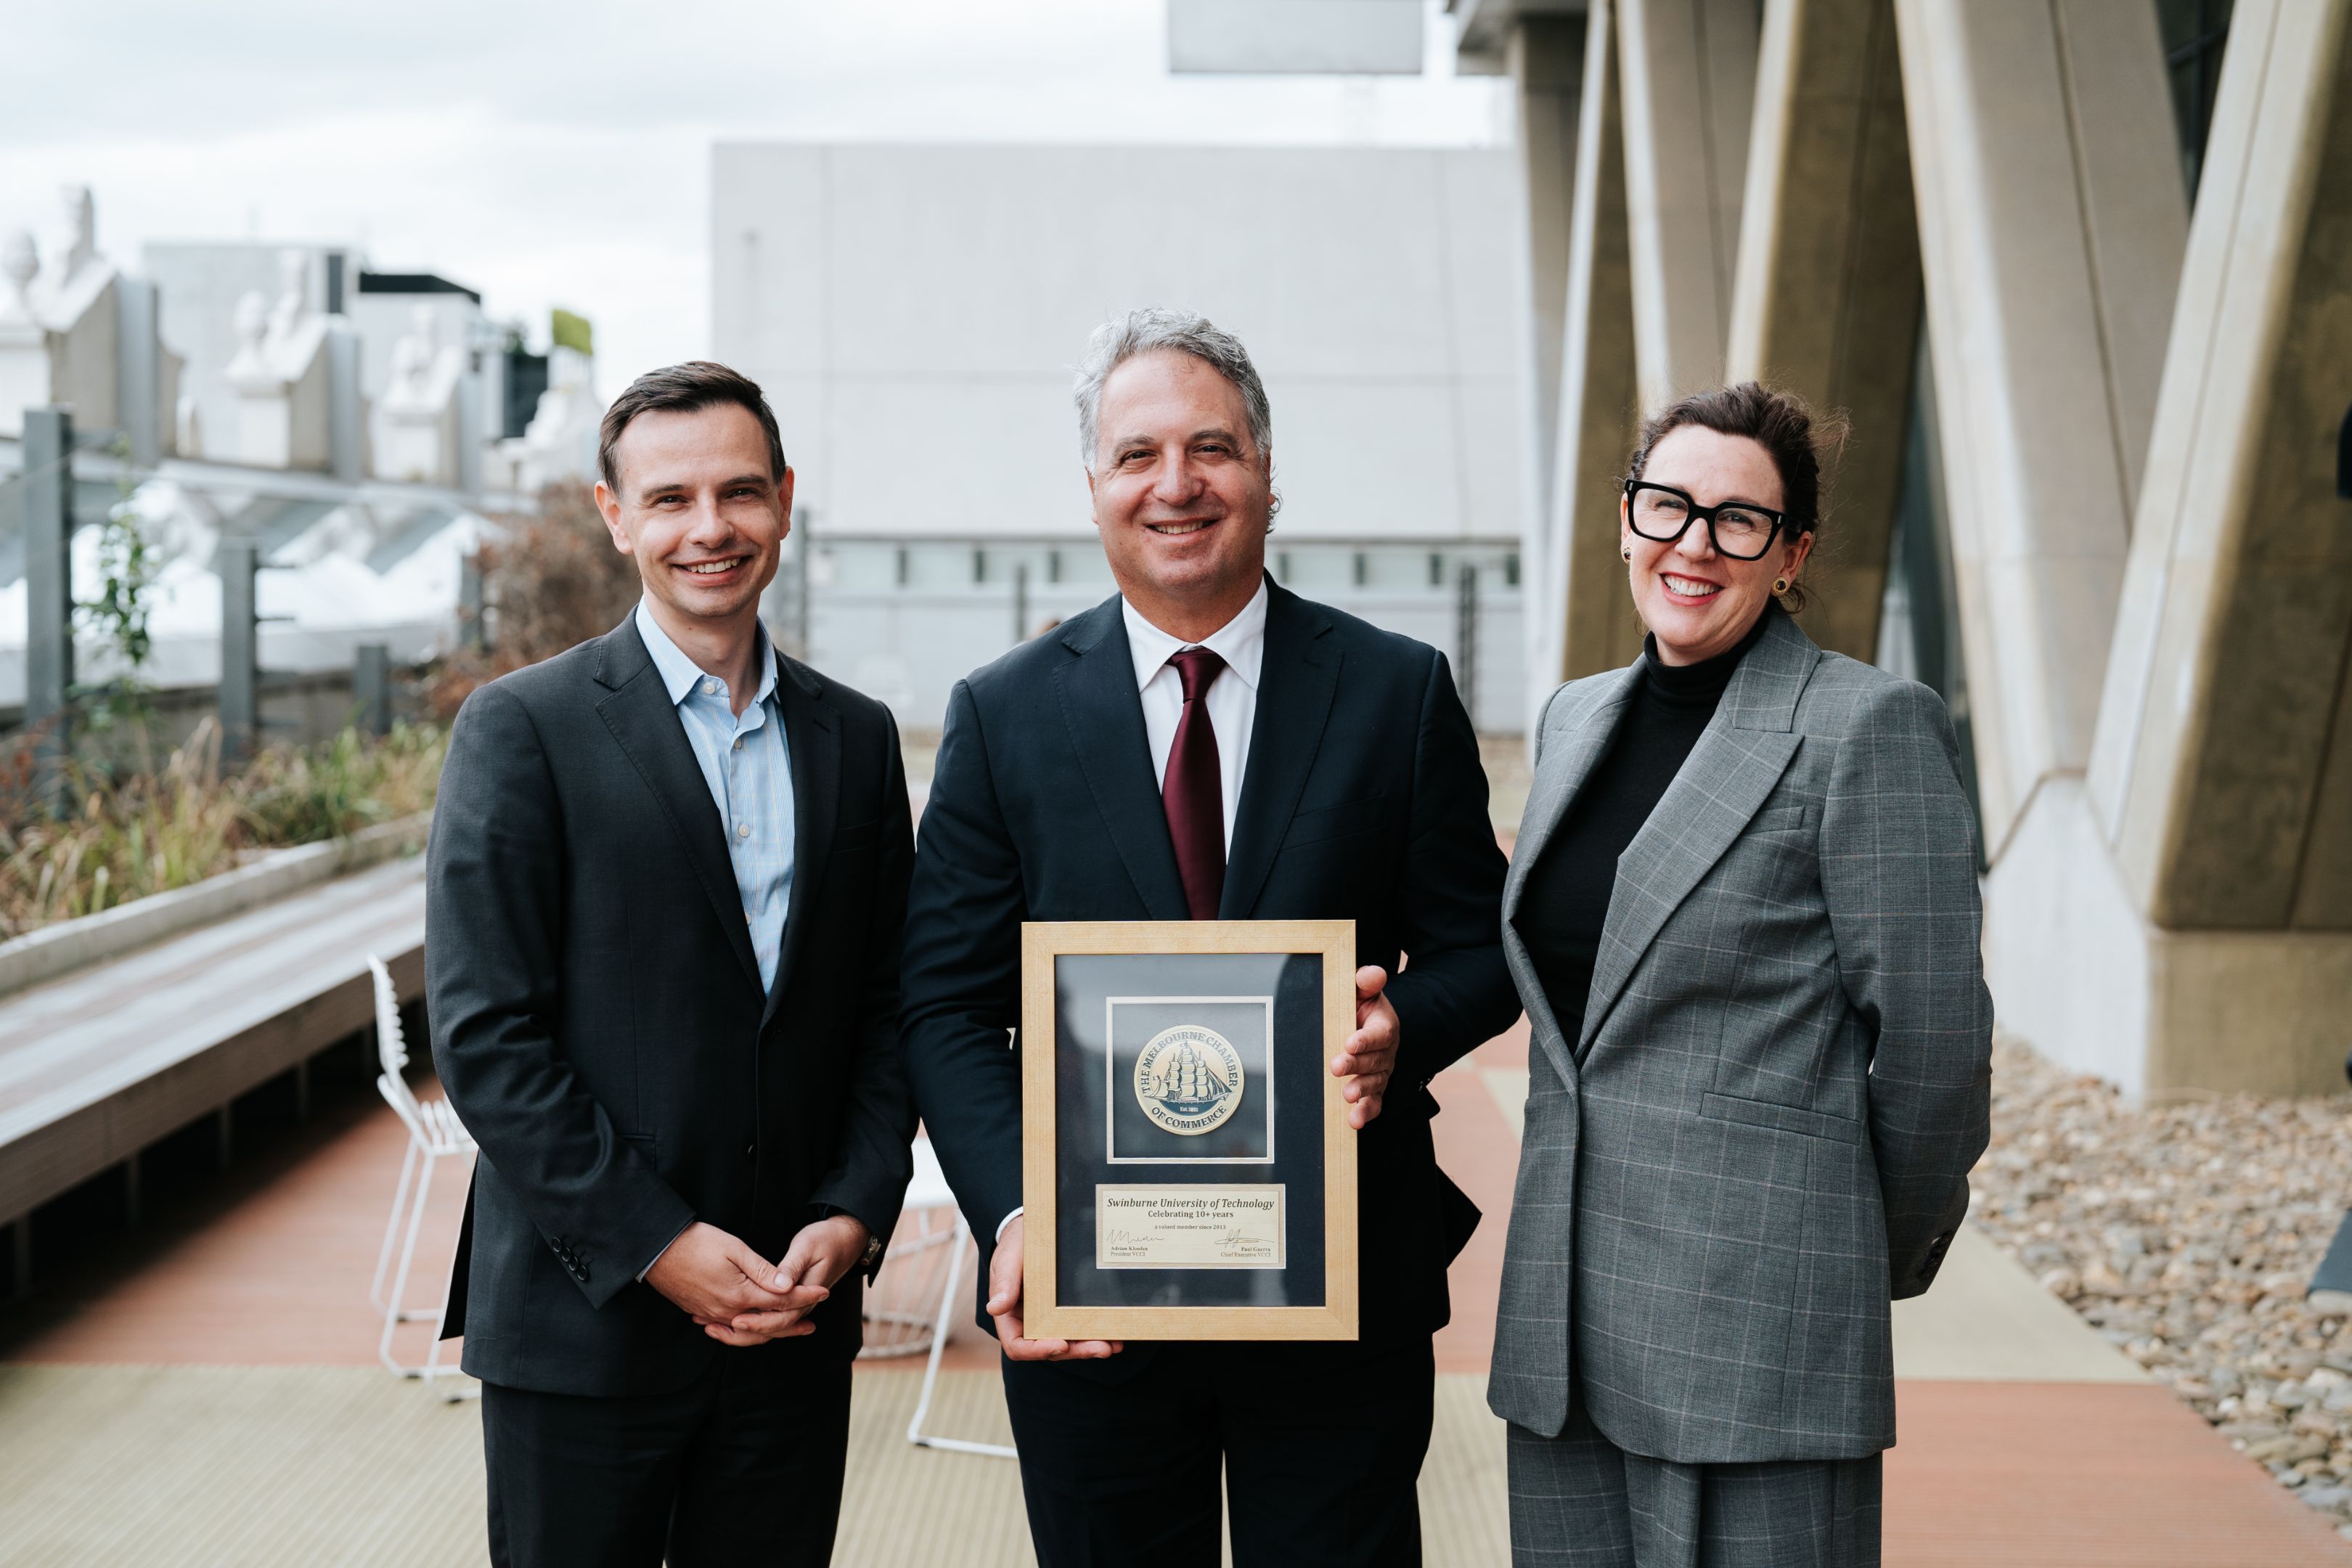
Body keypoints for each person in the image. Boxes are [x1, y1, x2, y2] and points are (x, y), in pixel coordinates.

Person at [901, 307, 1522, 1567]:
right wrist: (1022, 1216)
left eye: (1212, 449)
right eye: (1137, 455)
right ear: (1093, 489)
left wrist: (1405, 1030)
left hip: (1341, 1288)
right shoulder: (1002, 716)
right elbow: (947, 1009)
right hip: (1094, 1295)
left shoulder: (1396, 693)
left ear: (1269, 473)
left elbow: (1484, 951)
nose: (1176, 485)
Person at [1489, 383, 1993, 1566]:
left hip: (1759, 1339)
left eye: (1739, 520)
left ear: (1793, 553)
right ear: (1625, 517)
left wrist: (1840, 1255)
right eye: (1668, 506)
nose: (1694, 545)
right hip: (1562, 1333)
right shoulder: (1574, 720)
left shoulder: (1865, 727)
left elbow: (1934, 1054)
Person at [427, 361, 915, 1567]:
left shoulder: (856, 738)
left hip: (793, 1317)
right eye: (671, 499)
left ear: (787, 501)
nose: (711, 529)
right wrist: (660, 1246)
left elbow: (888, 1005)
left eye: (741, 494)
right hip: (585, 1323)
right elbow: (488, 1038)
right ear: (615, 515)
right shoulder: (521, 728)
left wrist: (854, 1209)